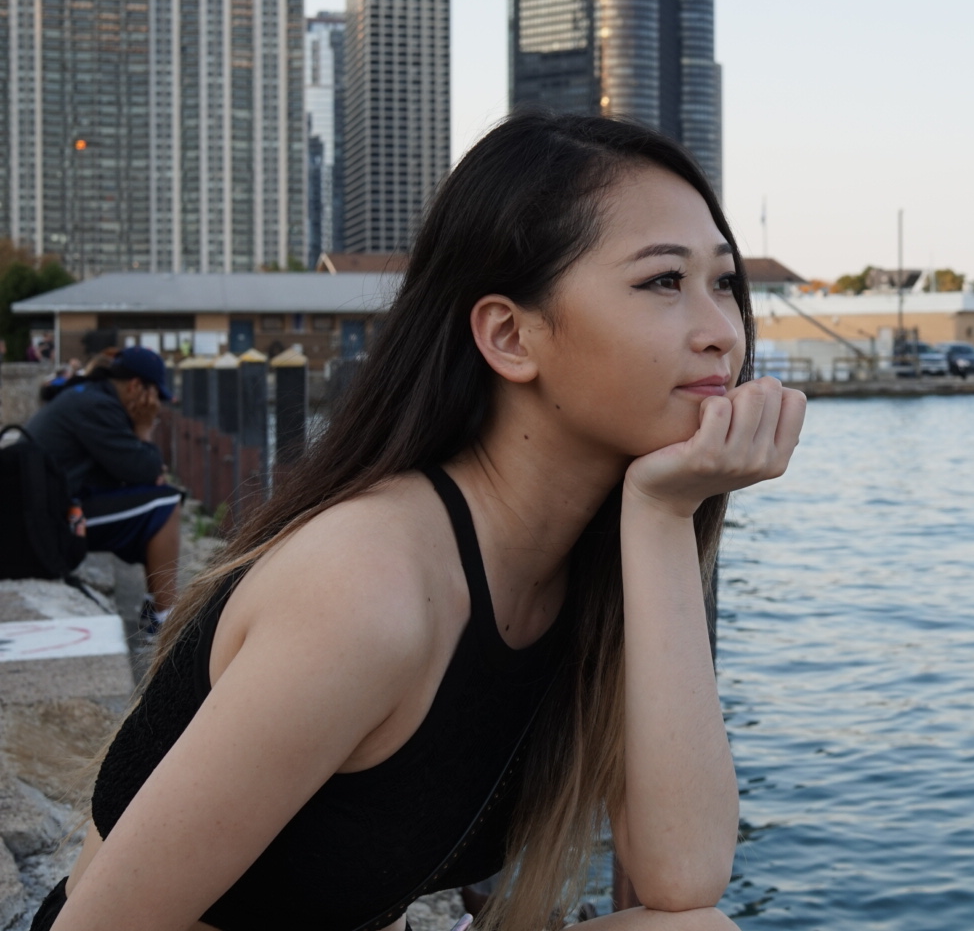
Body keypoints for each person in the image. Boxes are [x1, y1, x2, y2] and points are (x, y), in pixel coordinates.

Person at [36, 113, 806, 931]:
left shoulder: (583, 561)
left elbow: (685, 876)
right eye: (663, 281)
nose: (722, 334)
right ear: (510, 336)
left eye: (725, 284)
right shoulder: (366, 584)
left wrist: (662, 517)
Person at [25, 345, 182, 630]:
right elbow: (146, 471)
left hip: (48, 509)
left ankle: (155, 609)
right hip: (49, 523)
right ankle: (164, 622)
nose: (156, 405)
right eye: (155, 396)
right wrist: (144, 427)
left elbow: (131, 474)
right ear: (135, 386)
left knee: (156, 500)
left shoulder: (90, 395)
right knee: (167, 504)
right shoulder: (97, 406)